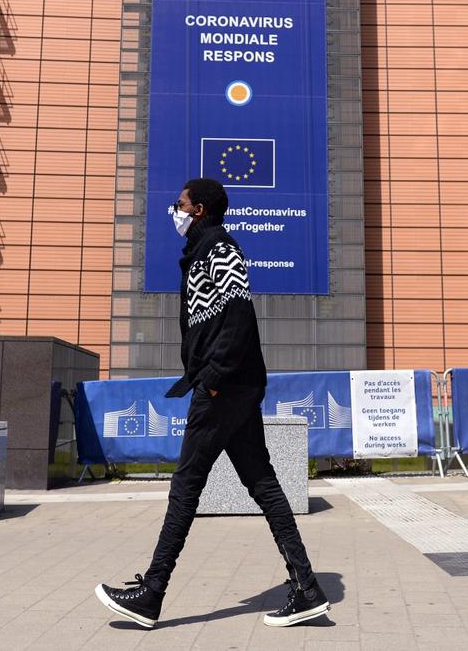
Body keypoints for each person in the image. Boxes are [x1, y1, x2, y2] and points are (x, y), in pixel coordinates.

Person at [95, 177, 329, 629]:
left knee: (185, 486)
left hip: (225, 388)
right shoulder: (203, 251)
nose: (174, 210)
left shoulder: (220, 248)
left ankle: (151, 592)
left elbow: (239, 315)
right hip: (234, 387)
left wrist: (215, 381)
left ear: (198, 209)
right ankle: (307, 588)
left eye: (178, 203)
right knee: (263, 484)